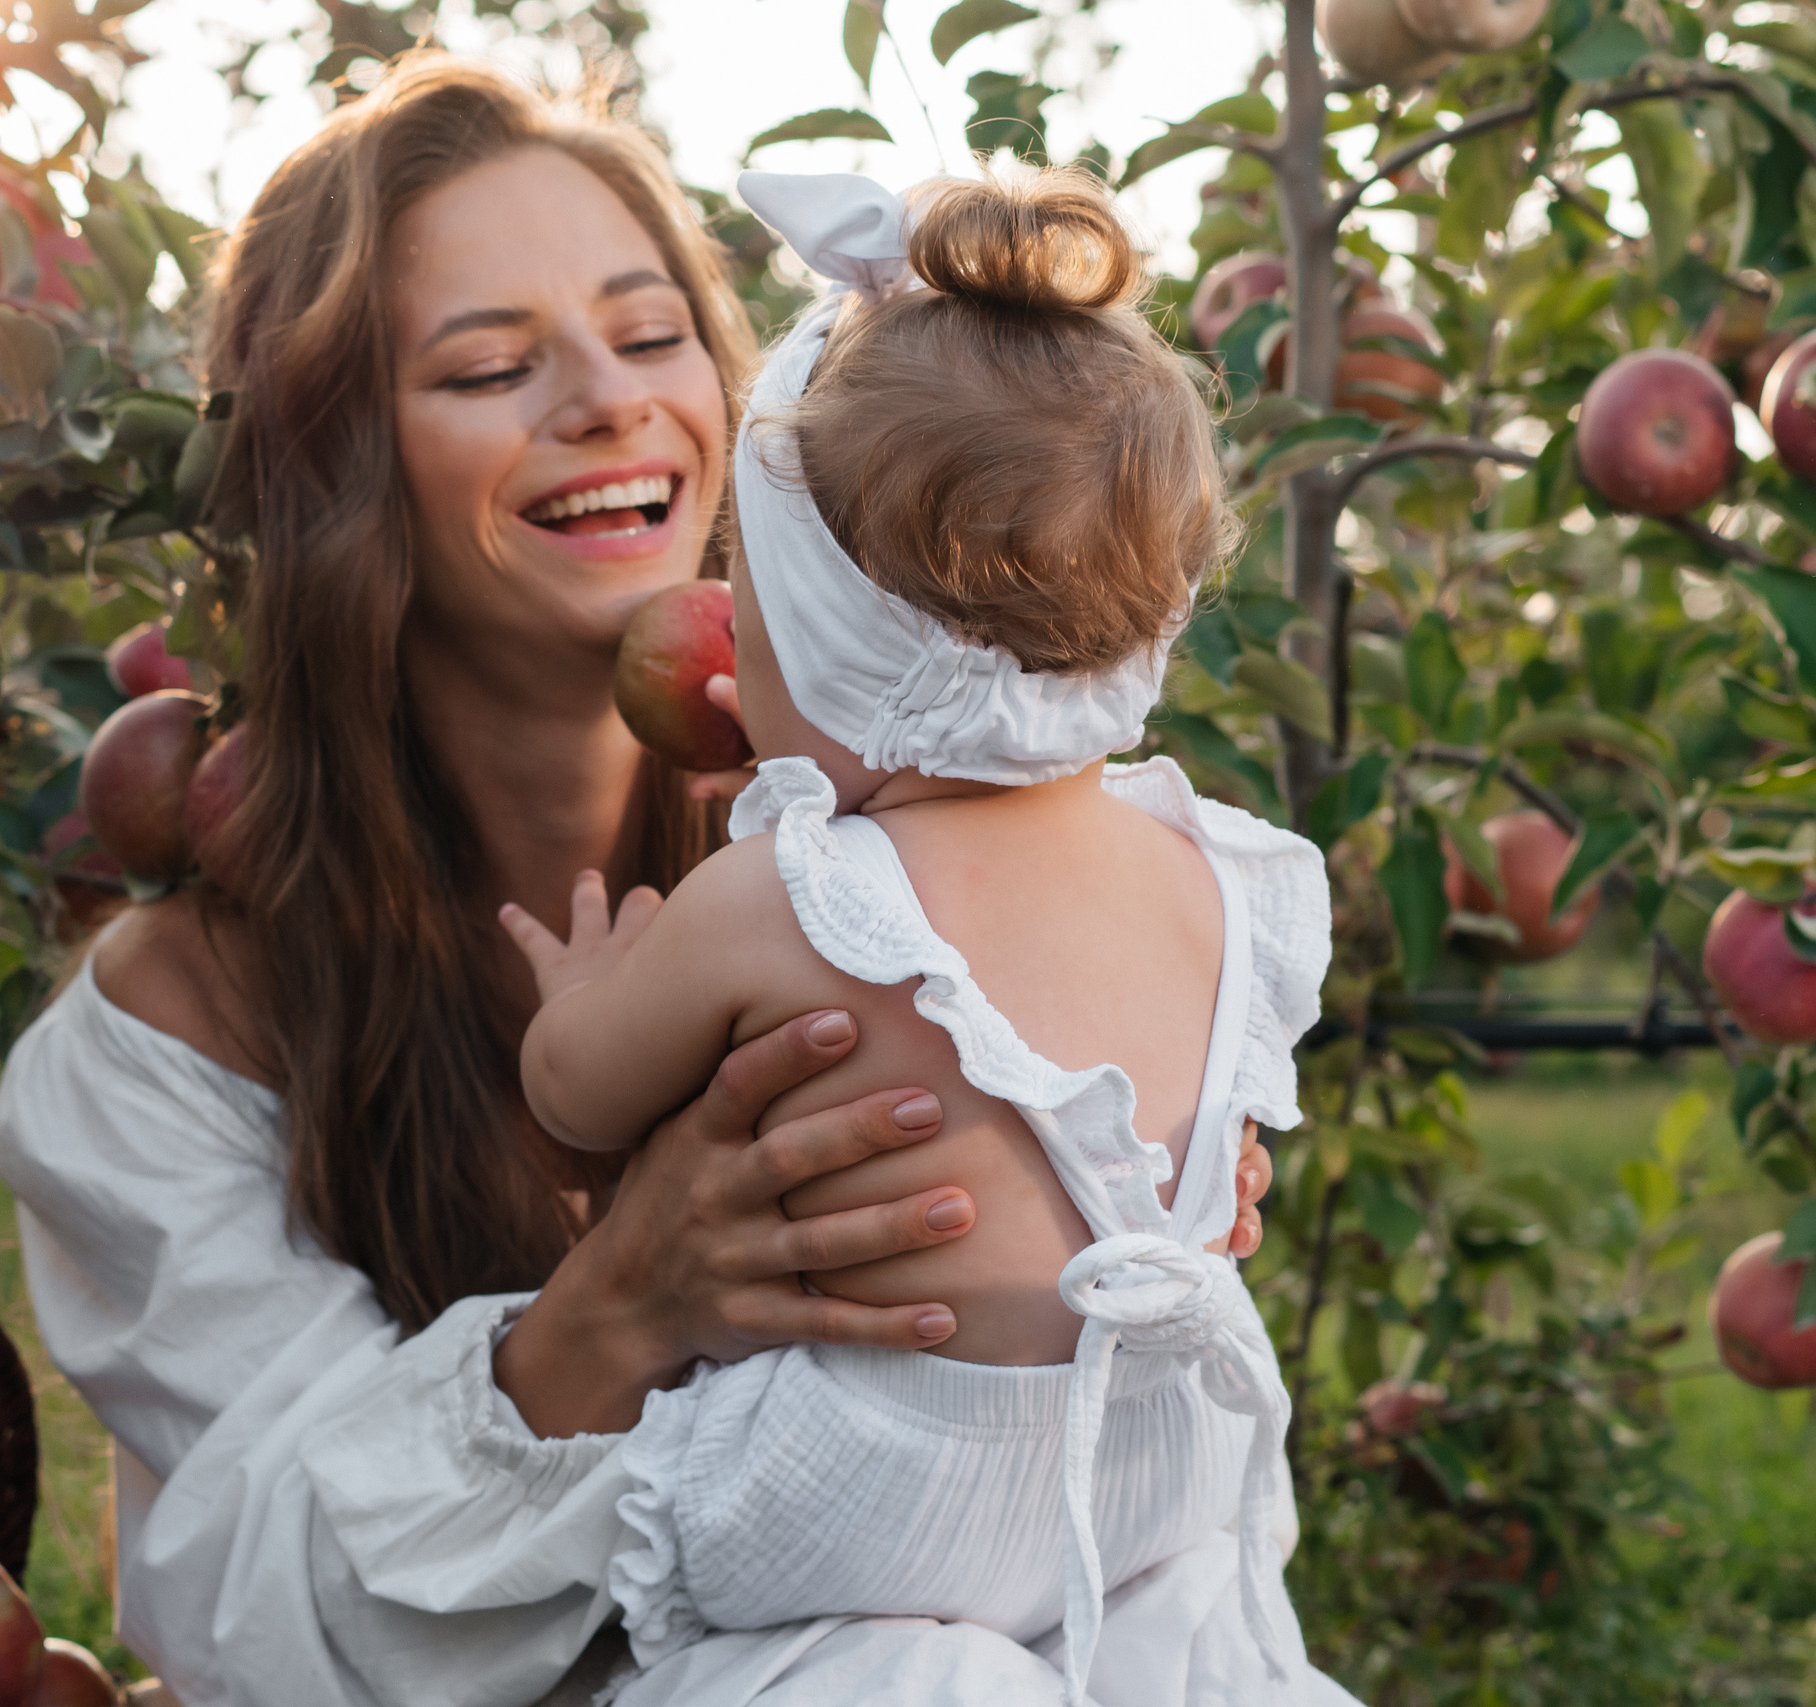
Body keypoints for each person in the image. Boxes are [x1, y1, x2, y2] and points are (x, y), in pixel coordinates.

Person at [0, 57, 1273, 1707]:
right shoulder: (175, 1034)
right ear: (334, 470)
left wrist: (1140, 1176)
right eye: (490, 364)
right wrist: (619, 1304)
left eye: (653, 336)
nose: (608, 400)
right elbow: (261, 1627)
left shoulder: (908, 868)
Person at [501, 167, 1350, 1707]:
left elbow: (578, 1102)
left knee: (809, 1661)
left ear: (832, 648)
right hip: (1156, 1452)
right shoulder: (1212, 870)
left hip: (879, 1482)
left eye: (755, 623)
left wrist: (584, 990)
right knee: (1163, 1638)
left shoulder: (791, 896)